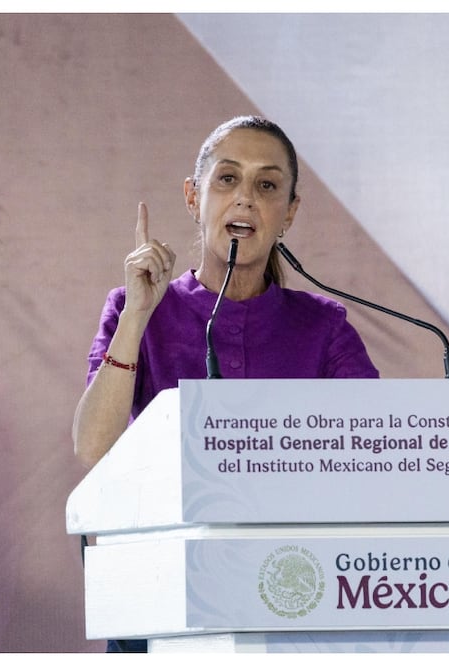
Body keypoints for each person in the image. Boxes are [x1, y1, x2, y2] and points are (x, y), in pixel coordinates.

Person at [71, 116, 379, 651]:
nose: (245, 200)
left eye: (267, 185)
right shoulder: (136, 310)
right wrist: (138, 315)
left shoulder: (323, 328)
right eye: (227, 179)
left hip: (290, 602)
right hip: (161, 605)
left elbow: (376, 456)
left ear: (289, 213)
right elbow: (93, 448)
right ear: (194, 197)